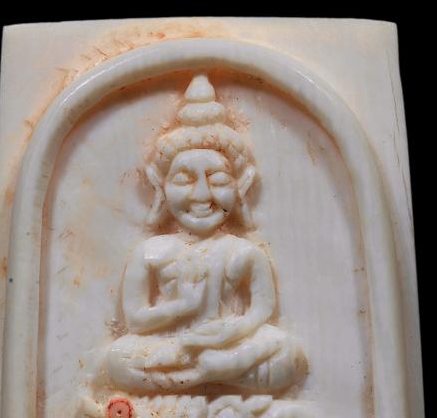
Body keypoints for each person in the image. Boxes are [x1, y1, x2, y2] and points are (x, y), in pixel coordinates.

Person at [107, 74, 305, 393]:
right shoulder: (151, 252)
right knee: (118, 358)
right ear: (160, 186)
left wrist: (231, 332)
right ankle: (208, 373)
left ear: (241, 186)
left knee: (286, 352)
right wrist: (181, 308)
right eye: (184, 180)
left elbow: (261, 310)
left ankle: (197, 376)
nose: (201, 194)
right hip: (174, 344)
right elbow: (136, 319)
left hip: (228, 342)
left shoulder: (244, 252)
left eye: (218, 180)